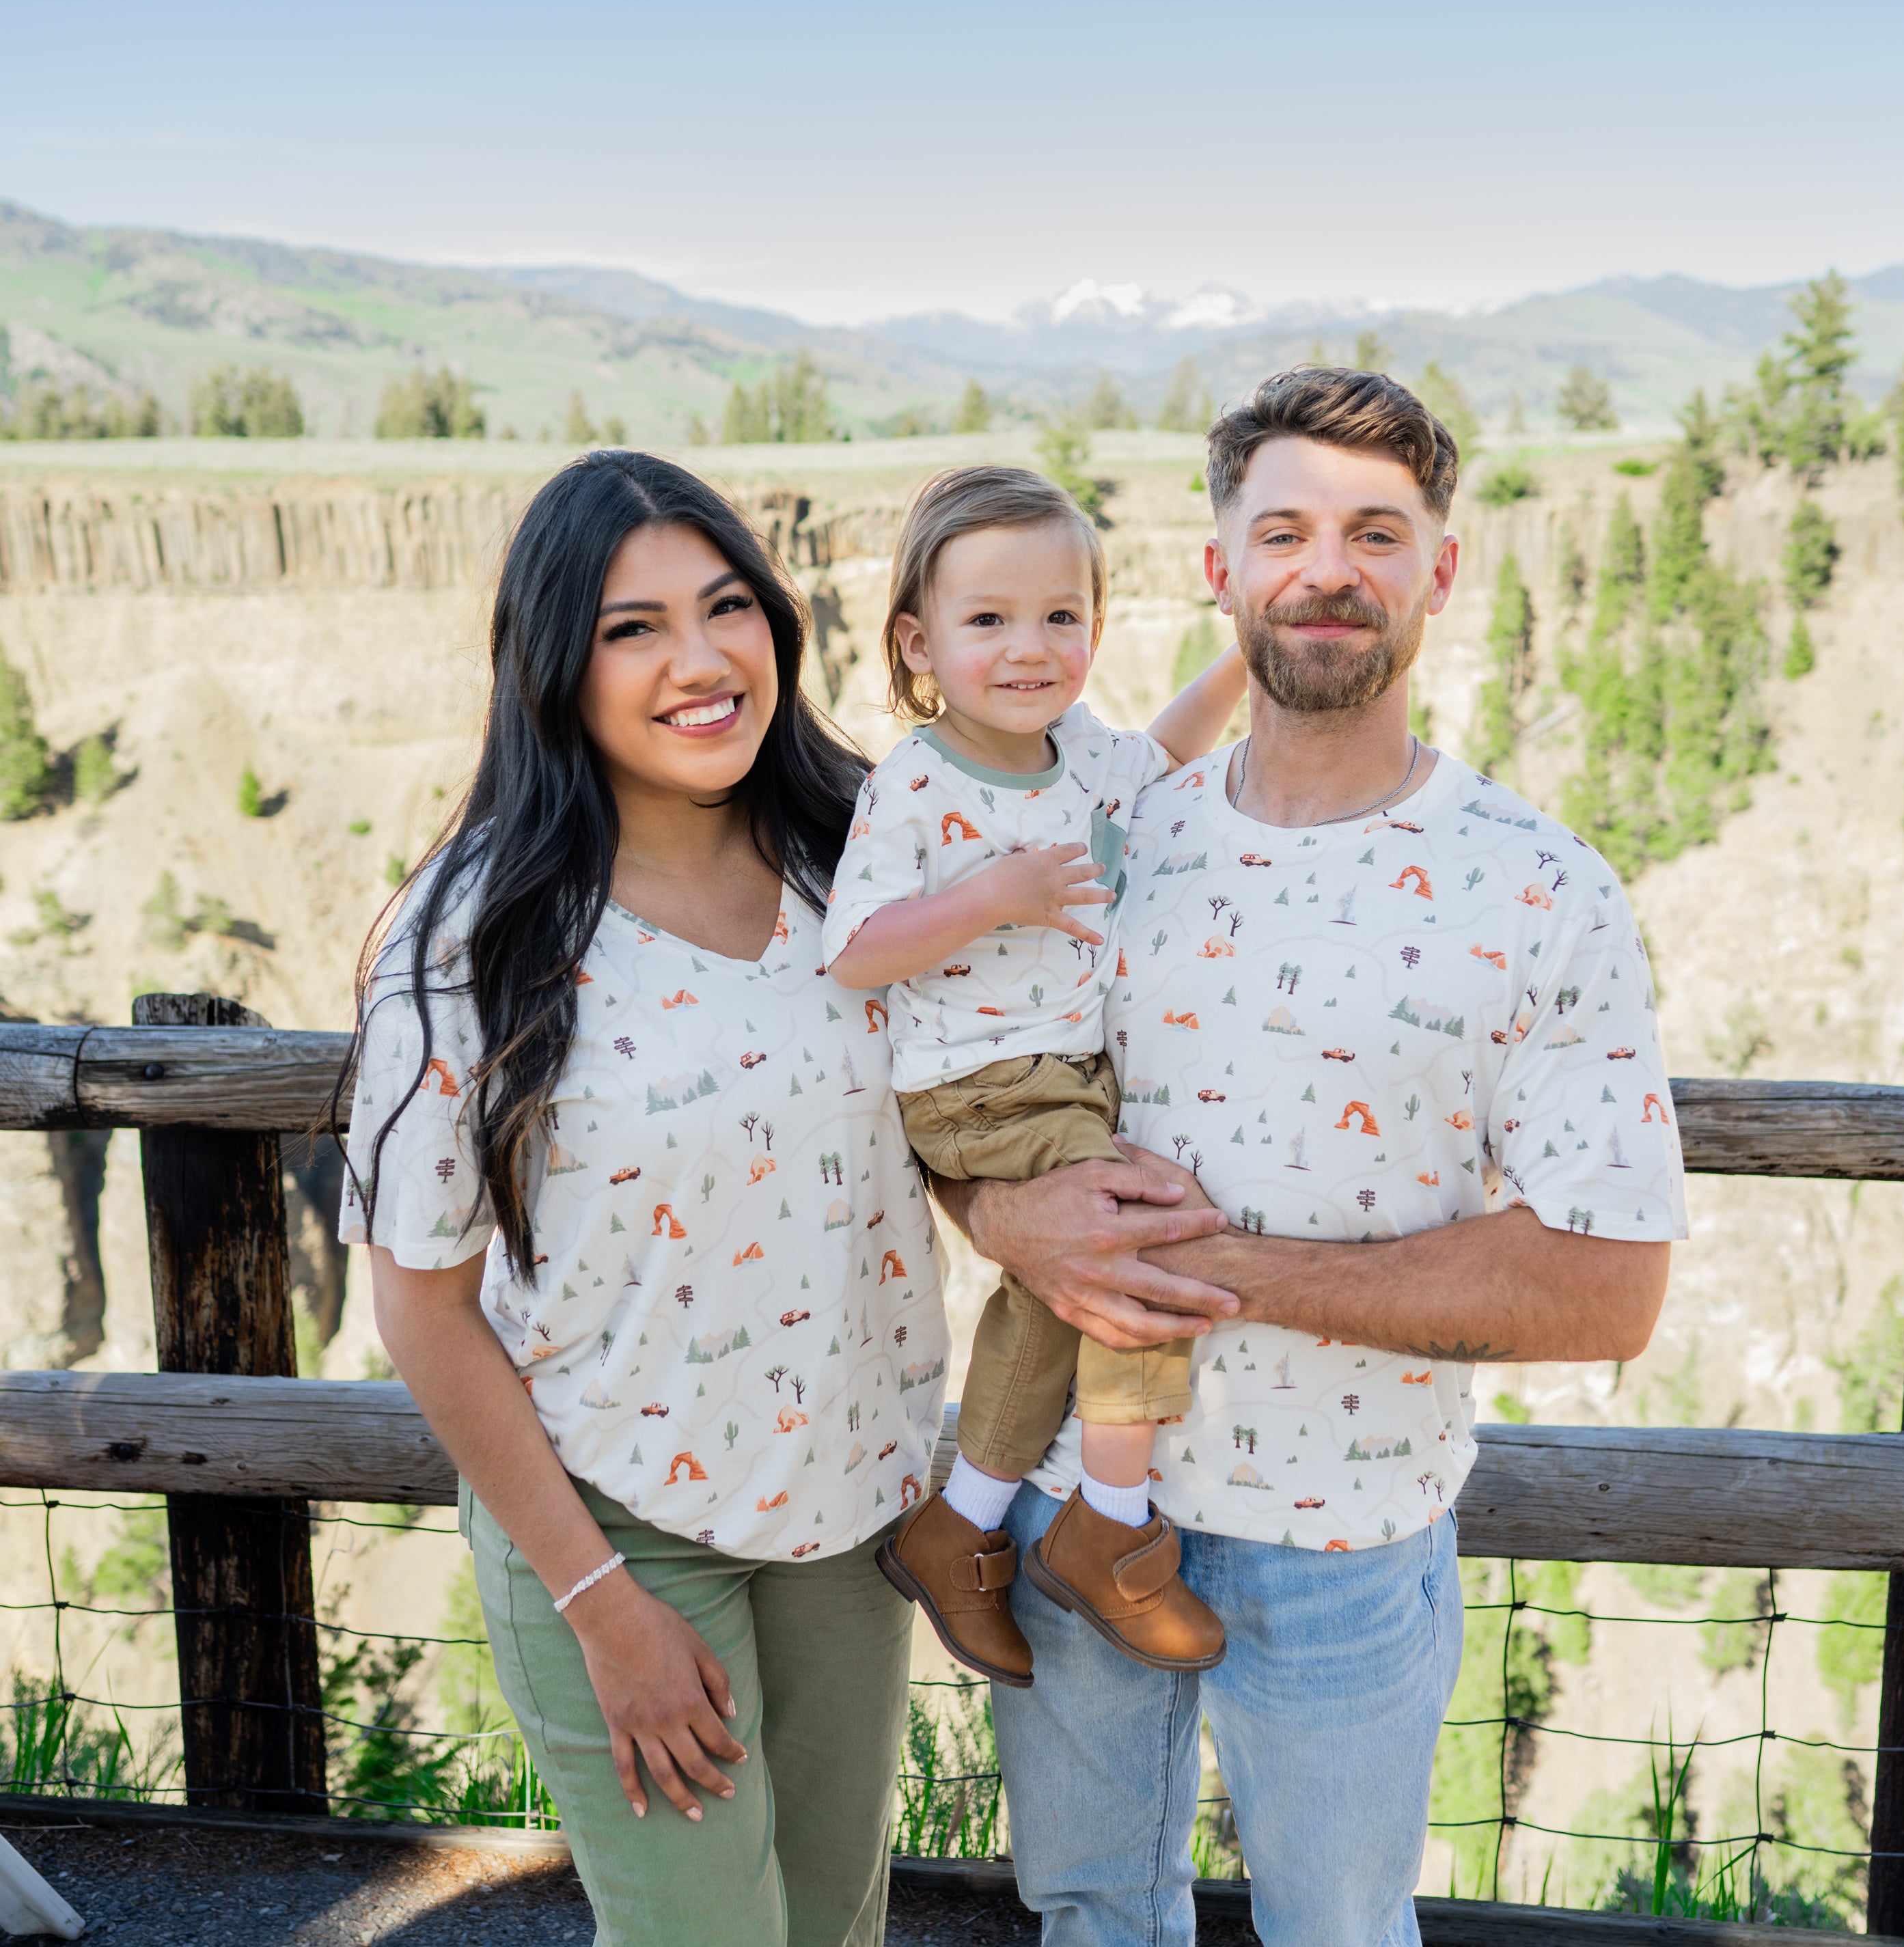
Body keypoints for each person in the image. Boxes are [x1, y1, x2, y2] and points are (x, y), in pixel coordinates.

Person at [926, 368, 1685, 1947]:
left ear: (1439, 572)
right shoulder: (1105, 842)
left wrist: (1208, 1270)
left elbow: (1606, 1288)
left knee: (1337, 1931)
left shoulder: (1539, 889)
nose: (1326, 570)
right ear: (1222, 569)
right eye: (1283, 532)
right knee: (1088, 1914)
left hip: (1346, 1532)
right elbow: (949, 1071)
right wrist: (1001, 1214)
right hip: (1068, 1504)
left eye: (1374, 534)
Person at [342, 452, 976, 1947]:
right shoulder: (472, 936)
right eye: (633, 629)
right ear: (555, 667)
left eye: (725, 607)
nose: (699, 661)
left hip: (853, 1512)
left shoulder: (866, 853)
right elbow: (421, 1304)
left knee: (835, 1930)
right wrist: (600, 1606)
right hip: (620, 1528)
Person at [823, 466, 1246, 1685]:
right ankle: (1110, 1528)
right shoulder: (918, 782)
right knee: (1131, 1246)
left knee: (1053, 1297)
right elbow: (855, 951)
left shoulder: (1087, 755)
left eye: (1062, 616)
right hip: (982, 1083)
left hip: (1064, 1078)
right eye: (989, 620)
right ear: (921, 642)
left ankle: (960, 1527)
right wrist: (988, 898)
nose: (1029, 647)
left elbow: (1163, 756)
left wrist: (1246, 660)